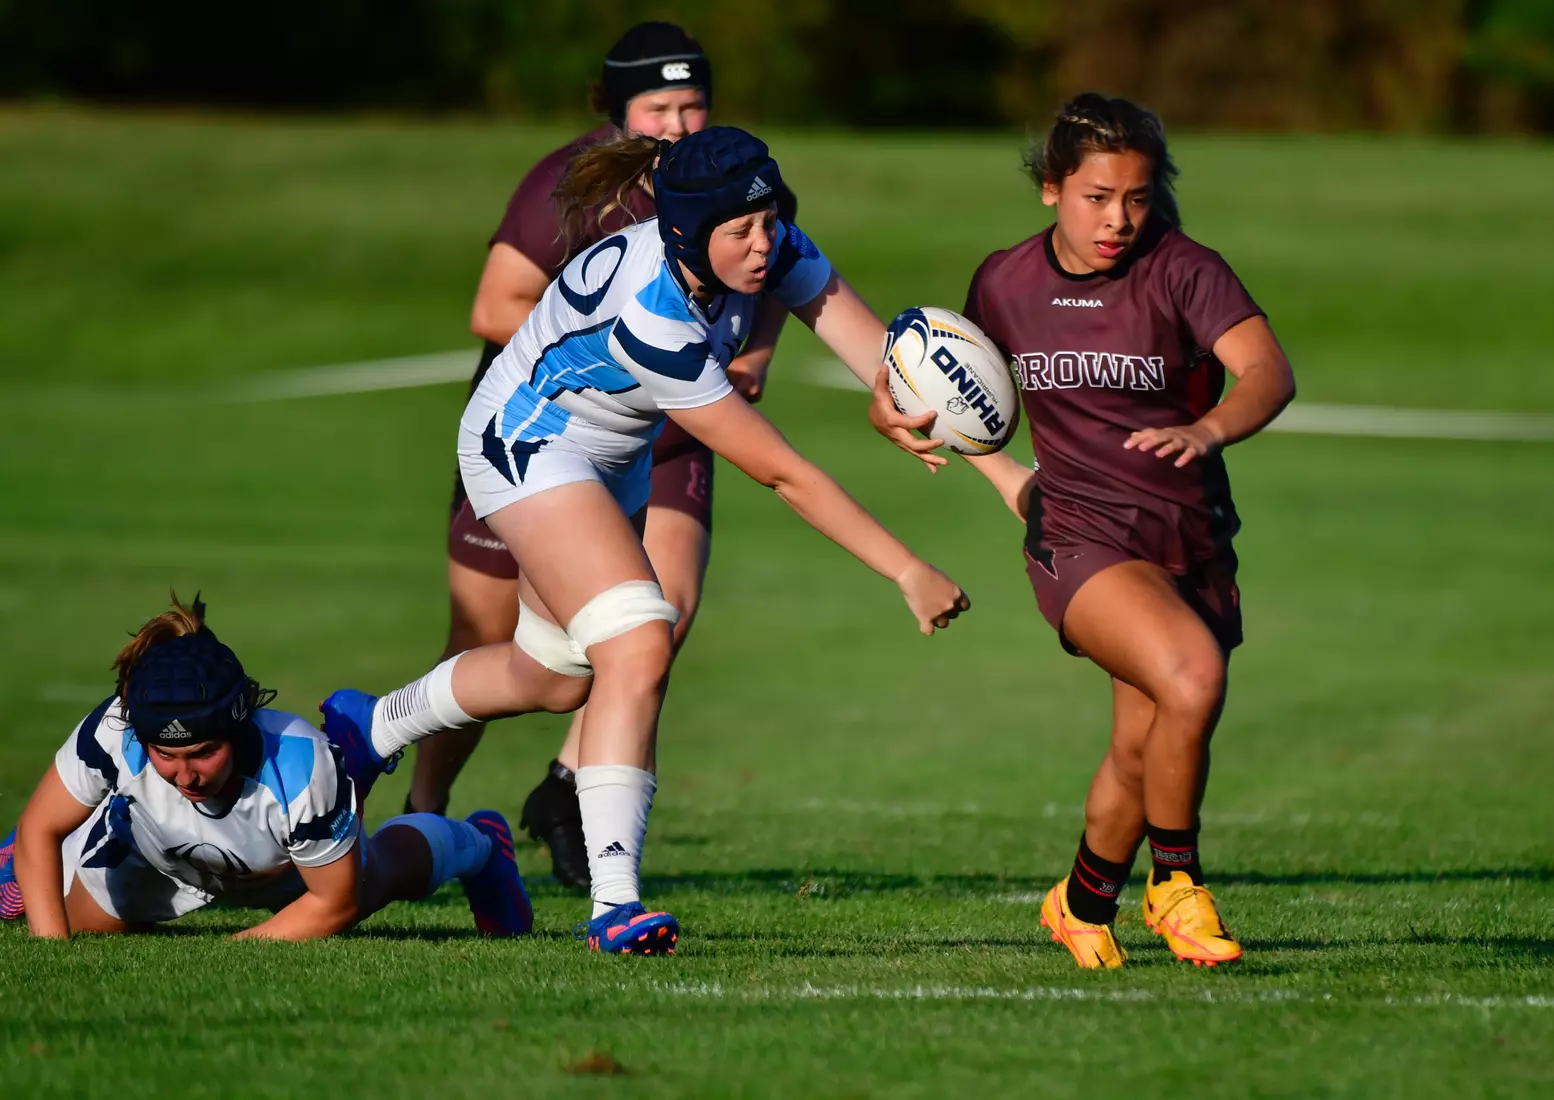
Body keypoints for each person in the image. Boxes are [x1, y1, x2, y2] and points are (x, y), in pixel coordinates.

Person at [320, 125, 969, 957]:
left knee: (552, 678)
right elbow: (783, 474)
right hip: (526, 442)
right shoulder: (653, 316)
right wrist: (905, 568)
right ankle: (614, 904)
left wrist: (895, 401)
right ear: (686, 233)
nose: (763, 245)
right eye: (740, 232)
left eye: (769, 221)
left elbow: (879, 356)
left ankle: (369, 726)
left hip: (607, 453)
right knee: (638, 640)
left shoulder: (765, 244)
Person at [911, 93, 1296, 968]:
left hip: (1187, 537)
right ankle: (1175, 885)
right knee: (1191, 678)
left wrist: (1210, 429)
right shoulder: (1003, 282)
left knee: (1142, 740)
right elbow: (940, 383)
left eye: (1136, 196)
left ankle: (1081, 903)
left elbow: (1267, 372)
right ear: (1050, 188)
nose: (1118, 218)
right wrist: (914, 426)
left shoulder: (1185, 270)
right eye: (1096, 197)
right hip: (1077, 535)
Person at [419, 22, 790, 892]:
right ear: (614, 108)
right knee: (486, 637)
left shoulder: (728, 175)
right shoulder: (568, 183)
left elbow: (791, 264)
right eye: (657, 107)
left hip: (669, 433)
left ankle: (573, 794)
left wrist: (754, 353)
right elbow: (493, 306)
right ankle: (424, 806)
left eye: (692, 103)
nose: (677, 123)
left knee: (657, 615)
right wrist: (625, 350)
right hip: (541, 427)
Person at [0, 595, 532, 940]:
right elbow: (39, 828)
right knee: (66, 915)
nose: (186, 776)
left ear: (238, 725)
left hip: (282, 867)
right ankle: (23, 864)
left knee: (377, 877)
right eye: (166, 755)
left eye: (203, 753)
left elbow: (332, 905)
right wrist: (54, 947)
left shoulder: (297, 768)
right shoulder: (114, 730)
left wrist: (234, 955)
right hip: (153, 853)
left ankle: (481, 845)